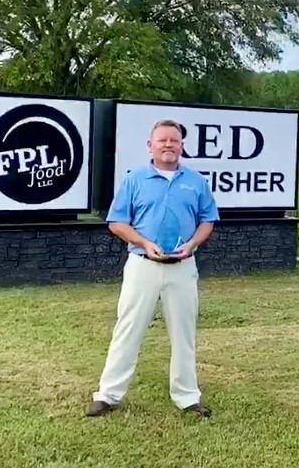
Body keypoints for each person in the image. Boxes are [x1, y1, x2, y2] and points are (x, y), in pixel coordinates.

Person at [87, 119, 219, 418]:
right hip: (142, 265)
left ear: (182, 145)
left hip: (183, 267)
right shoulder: (135, 180)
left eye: (174, 140)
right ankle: (108, 395)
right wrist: (145, 243)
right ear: (151, 146)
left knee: (184, 333)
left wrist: (193, 244)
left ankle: (187, 397)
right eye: (162, 140)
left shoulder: (196, 182)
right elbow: (117, 222)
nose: (169, 145)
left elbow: (207, 221)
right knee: (128, 329)